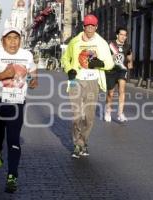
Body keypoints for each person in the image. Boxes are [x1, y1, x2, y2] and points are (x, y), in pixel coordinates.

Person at [0, 27, 38, 193]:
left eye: (16, 38)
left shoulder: (27, 55)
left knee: (13, 139)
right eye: (9, 38)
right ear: (2, 40)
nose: (13, 42)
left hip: (16, 103)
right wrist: (3, 75)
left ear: (21, 40)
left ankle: (12, 175)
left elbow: (33, 71)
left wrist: (34, 80)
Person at [61, 14, 114, 159]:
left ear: (96, 27)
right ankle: (77, 144)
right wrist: (68, 70)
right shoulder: (75, 41)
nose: (89, 28)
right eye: (87, 26)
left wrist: (100, 64)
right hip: (75, 81)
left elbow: (110, 64)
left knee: (89, 117)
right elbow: (65, 58)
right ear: (83, 26)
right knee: (76, 116)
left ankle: (84, 141)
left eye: (92, 26)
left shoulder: (101, 43)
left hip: (92, 82)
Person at [104, 27, 133, 123]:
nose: (123, 37)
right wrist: (110, 57)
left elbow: (129, 54)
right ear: (117, 35)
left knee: (122, 90)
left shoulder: (127, 46)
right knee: (110, 94)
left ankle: (120, 113)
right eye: (121, 34)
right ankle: (108, 111)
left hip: (122, 70)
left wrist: (130, 61)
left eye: (125, 35)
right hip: (111, 71)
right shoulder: (110, 44)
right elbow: (104, 55)